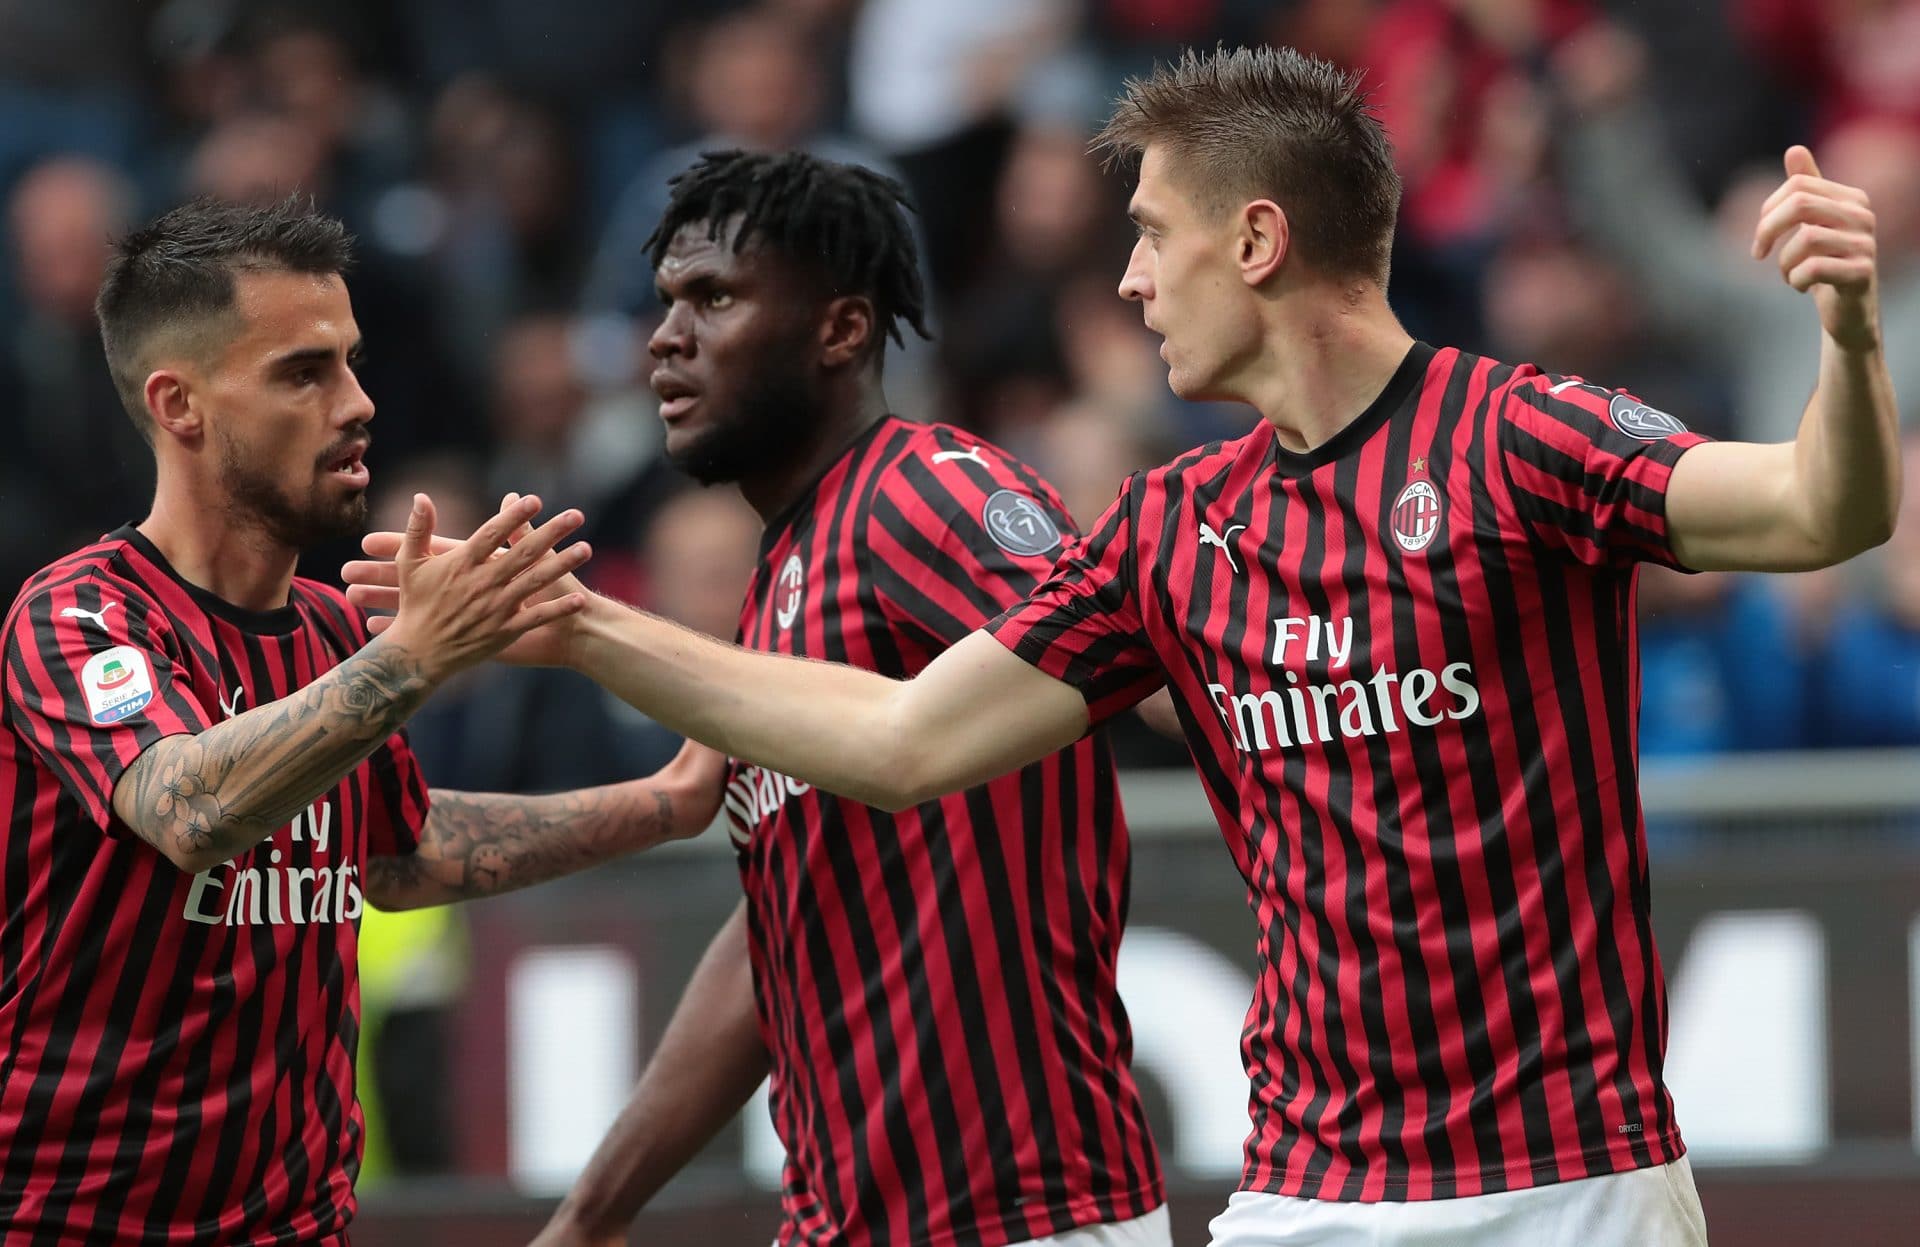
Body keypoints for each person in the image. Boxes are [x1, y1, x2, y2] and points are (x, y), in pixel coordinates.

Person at [350, 47, 1900, 1245]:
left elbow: (1815, 509)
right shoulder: (1169, 529)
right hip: (1306, 1192)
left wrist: (1844, 331)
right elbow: (902, 740)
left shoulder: (1515, 434)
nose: (1130, 277)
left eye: (1154, 234)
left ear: (1259, 238)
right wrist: (578, 624)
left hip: (1569, 1182)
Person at [0, 195, 724, 1245]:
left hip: (300, 1223)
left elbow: (398, 849)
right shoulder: (78, 615)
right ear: (179, 404)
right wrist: (415, 655)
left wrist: (666, 801)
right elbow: (187, 807)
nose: (357, 402)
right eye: (304, 372)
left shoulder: (336, 633)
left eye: (351, 362)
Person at [539, 150, 1166, 1246]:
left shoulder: (928, 490)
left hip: (1020, 1217)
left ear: (839, 330)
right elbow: (779, 919)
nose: (665, 337)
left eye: (714, 298)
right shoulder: (779, 584)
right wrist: (590, 1216)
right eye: (667, 301)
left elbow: (1140, 652)